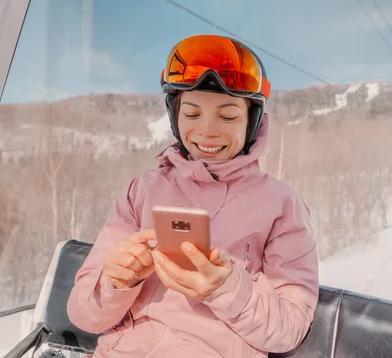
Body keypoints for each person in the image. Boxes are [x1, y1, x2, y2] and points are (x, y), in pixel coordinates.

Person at [66, 34, 320, 357]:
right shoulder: (142, 191)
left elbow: (290, 327)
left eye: (227, 116)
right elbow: (82, 315)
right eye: (192, 114)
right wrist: (117, 281)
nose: (207, 131)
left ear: (252, 122)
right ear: (175, 116)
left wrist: (226, 288)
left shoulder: (282, 206)